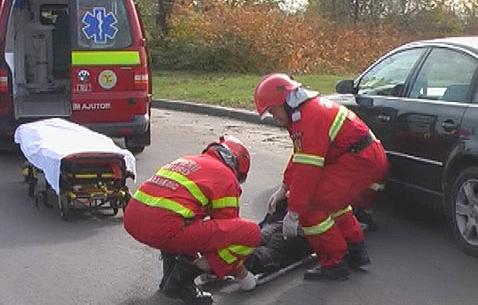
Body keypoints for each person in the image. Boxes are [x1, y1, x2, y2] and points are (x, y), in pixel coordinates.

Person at [253, 73, 388, 281]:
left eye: (272, 110)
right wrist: (284, 186)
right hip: (362, 159)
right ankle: (355, 250)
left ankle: (334, 262)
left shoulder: (308, 118)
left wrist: (296, 211)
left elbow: (308, 171)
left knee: (312, 207)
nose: (274, 117)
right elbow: (300, 156)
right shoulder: (306, 112)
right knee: (333, 203)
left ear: (285, 102)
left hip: (358, 162)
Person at [123, 135, 261, 305]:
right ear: (237, 167)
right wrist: (238, 272)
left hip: (133, 219)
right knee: (250, 232)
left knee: (186, 221)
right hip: (165, 229)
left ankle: (170, 277)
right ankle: (180, 283)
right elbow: (226, 234)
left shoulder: (189, 161)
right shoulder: (226, 176)